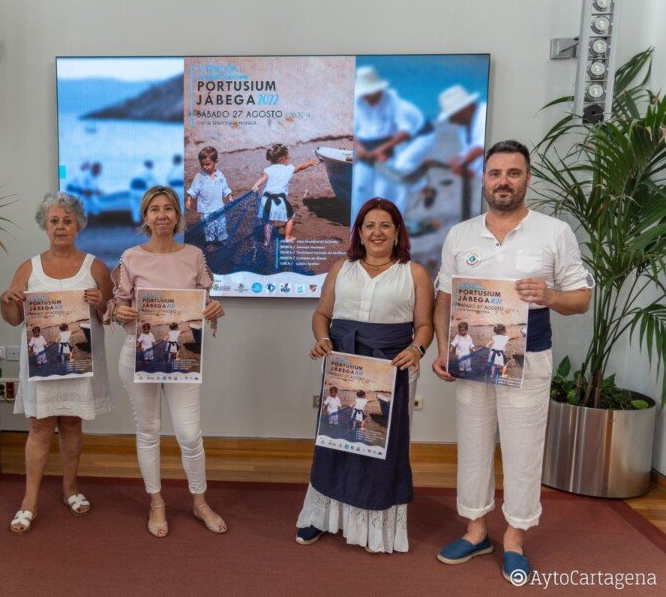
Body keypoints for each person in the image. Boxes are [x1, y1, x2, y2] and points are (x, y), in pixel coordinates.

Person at [431, 140, 592, 584]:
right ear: (483, 180)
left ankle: (515, 537)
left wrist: (551, 295)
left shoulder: (553, 231)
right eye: (495, 173)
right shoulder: (461, 234)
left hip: (530, 356)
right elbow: (444, 297)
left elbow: (581, 300)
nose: (503, 181)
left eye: (513, 173)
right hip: (472, 359)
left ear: (527, 179)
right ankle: (476, 529)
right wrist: (443, 349)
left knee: (523, 451)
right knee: (473, 443)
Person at [296, 197, 434, 553]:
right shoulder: (341, 268)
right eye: (369, 225)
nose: (377, 232)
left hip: (390, 369)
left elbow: (424, 325)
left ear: (397, 231)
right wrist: (322, 339)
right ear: (359, 231)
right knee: (334, 440)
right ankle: (321, 517)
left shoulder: (414, 273)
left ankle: (373, 526)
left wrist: (417, 349)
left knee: (379, 445)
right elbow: (321, 314)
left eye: (385, 225)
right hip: (342, 364)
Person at [108, 185, 227, 538]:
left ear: (177, 215)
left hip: (182, 357)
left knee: (190, 434)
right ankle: (157, 502)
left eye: (168, 209)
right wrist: (119, 311)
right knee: (148, 431)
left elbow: (205, 302)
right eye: (154, 209)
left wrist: (215, 309)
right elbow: (116, 305)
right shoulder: (131, 257)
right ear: (145, 217)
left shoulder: (193, 255)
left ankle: (199, 501)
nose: (162, 215)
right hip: (138, 355)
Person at [0, 192, 114, 534]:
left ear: (78, 225)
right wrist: (6, 299)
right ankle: (29, 501)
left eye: (67, 220)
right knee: (39, 428)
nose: (61, 226)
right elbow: (11, 317)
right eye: (54, 221)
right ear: (44, 226)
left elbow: (110, 315)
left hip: (80, 361)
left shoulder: (95, 266)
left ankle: (70, 489)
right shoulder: (28, 267)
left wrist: (100, 302)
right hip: (42, 363)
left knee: (73, 426)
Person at [352, 66, 433, 217]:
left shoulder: (394, 102)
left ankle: (399, 218)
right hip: (376, 145)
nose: (365, 97)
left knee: (396, 177)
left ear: (376, 90)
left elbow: (405, 132)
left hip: (419, 135)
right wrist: (359, 147)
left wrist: (382, 150)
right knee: (359, 186)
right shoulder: (358, 102)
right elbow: (353, 130)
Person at [251, 143, 319, 245]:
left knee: (269, 222)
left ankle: (266, 241)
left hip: (266, 200)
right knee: (290, 217)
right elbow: (300, 167)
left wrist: (256, 185)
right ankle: (287, 237)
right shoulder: (288, 169)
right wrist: (309, 163)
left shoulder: (268, 169)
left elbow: (263, 179)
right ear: (283, 159)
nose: (289, 158)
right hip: (279, 200)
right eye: (288, 157)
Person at [436, 85, 487, 181]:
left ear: (465, 108)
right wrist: (457, 161)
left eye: (452, 115)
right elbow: (469, 150)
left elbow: (484, 144)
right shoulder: (464, 125)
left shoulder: (486, 113)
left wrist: (462, 161)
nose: (450, 121)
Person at [186, 146, 233, 247]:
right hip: (206, 209)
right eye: (202, 164)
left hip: (219, 207)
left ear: (215, 161)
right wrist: (189, 200)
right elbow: (193, 190)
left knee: (221, 226)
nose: (204, 167)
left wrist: (229, 197)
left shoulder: (220, 176)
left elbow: (225, 188)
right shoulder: (199, 177)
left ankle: (222, 240)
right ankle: (210, 243)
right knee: (209, 228)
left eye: (208, 164)